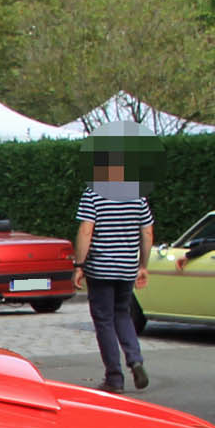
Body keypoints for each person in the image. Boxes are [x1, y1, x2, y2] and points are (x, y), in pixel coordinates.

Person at [73, 126, 157, 393]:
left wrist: (79, 264)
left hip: (100, 267)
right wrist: (143, 264)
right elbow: (147, 232)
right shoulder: (137, 195)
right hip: (126, 267)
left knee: (104, 320)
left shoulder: (94, 193)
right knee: (123, 314)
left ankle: (114, 377)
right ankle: (135, 360)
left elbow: (86, 230)